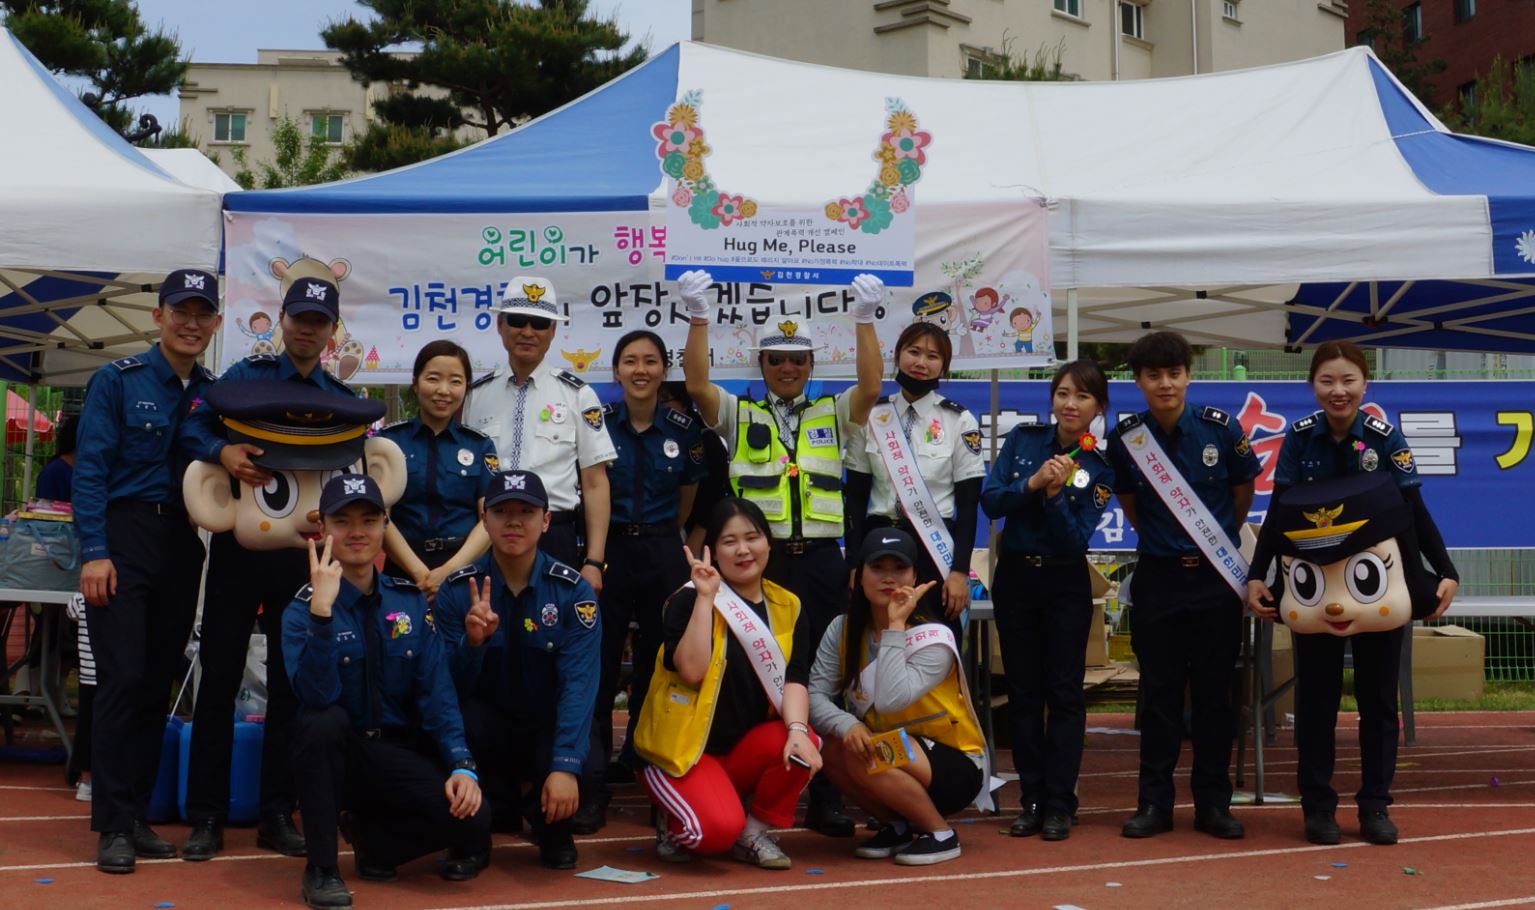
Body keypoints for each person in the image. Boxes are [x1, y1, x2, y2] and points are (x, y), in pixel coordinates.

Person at [678, 268, 883, 836]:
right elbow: (697, 385)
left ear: (812, 364)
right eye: (775, 359)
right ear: (761, 363)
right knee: (753, 672)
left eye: (797, 359)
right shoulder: (739, 413)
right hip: (757, 567)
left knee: (826, 674)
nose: (787, 368)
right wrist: (699, 317)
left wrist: (864, 320)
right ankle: (750, 780)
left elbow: (870, 387)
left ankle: (827, 794)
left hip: (820, 561)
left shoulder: (833, 413)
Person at [1247, 340, 1458, 847]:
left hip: (1376, 586)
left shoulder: (1385, 439)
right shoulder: (1299, 439)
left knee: (1379, 700)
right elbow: (1278, 514)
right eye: (1327, 381)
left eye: (1348, 381)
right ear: (1312, 386)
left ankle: (1375, 806)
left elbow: (1413, 511)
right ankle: (1318, 808)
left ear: (1365, 385)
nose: (1338, 391)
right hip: (1316, 589)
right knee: (1316, 701)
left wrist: (1445, 570)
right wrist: (1258, 574)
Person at [180, 273, 356, 861]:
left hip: (302, 558)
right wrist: (222, 451)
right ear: (282, 319)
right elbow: (193, 425)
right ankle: (206, 814)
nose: (307, 329)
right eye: (299, 317)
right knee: (219, 677)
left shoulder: (339, 396)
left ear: (332, 331)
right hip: (239, 551)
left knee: (291, 685)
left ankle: (277, 812)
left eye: (319, 321)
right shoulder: (244, 378)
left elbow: (352, 468)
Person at [284, 474, 490, 909]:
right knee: (322, 721)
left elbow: (437, 692)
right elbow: (316, 697)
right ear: (322, 529)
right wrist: (322, 615)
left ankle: (374, 840)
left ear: (385, 525)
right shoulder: (302, 610)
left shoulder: (409, 602)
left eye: (368, 520)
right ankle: (321, 868)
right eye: (343, 521)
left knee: (474, 819)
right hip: (340, 758)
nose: (357, 532)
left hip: (395, 752)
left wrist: (462, 765)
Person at [73, 268, 219, 873]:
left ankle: (135, 814)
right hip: (123, 538)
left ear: (215, 323)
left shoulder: (215, 394)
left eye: (202, 314)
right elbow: (90, 469)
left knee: (158, 680)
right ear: (158, 316)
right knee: (122, 679)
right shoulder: (117, 380)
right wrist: (94, 551)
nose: (191, 323)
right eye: (180, 311)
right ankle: (111, 824)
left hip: (182, 542)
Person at [461, 275, 615, 832]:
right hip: (488, 536)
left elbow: (594, 482)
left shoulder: (578, 394)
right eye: (518, 321)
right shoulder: (475, 394)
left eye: (540, 323)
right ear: (500, 325)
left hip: (556, 538)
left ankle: (582, 782)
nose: (528, 331)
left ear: (553, 332)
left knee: (571, 666)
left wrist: (593, 561)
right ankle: (501, 788)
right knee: (492, 656)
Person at [1103, 330, 1259, 840]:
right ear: (1138, 381)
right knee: (1160, 695)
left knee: (1215, 696)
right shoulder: (1127, 439)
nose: (1165, 384)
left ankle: (1213, 804)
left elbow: (1241, 494)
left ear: (1189, 376)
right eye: (1154, 375)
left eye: (1174, 373)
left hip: (1215, 580)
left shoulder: (1221, 429)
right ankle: (1154, 804)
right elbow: (1130, 504)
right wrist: (1167, 541)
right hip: (1158, 579)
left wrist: (1211, 541)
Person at [631, 498, 823, 869]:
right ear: (714, 551)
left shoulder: (789, 605)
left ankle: (751, 834)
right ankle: (675, 818)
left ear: (768, 542)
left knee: (805, 743)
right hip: (683, 752)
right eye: (729, 541)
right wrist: (706, 598)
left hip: (742, 753)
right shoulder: (688, 598)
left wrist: (798, 730)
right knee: (711, 834)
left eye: (752, 537)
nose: (743, 550)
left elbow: (795, 678)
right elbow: (691, 671)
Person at [432, 469, 601, 871]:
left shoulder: (573, 592)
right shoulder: (457, 591)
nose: (513, 522)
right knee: (448, 745)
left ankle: (543, 817)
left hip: (544, 724)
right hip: (484, 727)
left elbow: (579, 683)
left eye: (526, 512)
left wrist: (565, 766)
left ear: (546, 521)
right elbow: (445, 688)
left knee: (587, 770)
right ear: (484, 520)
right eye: (501, 511)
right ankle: (480, 829)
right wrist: (473, 645)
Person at [981, 359, 1115, 841]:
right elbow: (992, 500)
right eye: (1063, 393)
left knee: (1064, 694)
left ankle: (1060, 803)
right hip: (1016, 577)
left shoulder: (1099, 467)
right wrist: (1033, 484)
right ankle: (1031, 800)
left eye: (1082, 396)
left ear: (1099, 407)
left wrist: (1055, 496)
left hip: (1064, 583)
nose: (1070, 404)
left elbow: (1076, 538)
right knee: (1022, 693)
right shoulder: (1023, 441)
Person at [808, 528, 988, 866]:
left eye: (899, 568)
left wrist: (894, 626)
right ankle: (896, 827)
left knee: (870, 752)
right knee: (829, 745)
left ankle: (940, 834)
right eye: (877, 568)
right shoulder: (841, 629)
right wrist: (848, 725)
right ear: (859, 575)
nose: (888, 578)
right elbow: (815, 696)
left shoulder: (934, 637)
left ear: (915, 577)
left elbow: (891, 699)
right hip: (892, 751)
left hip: (954, 762)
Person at [594, 332, 706, 792]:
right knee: (600, 662)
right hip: (609, 551)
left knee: (660, 660)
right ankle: (594, 777)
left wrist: (661, 535)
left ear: (664, 370)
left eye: (650, 361)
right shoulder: (597, 424)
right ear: (616, 370)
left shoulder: (684, 429)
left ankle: (645, 763)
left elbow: (687, 498)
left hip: (662, 550)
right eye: (630, 361)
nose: (640, 370)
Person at [845, 321, 984, 623]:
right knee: (874, 635)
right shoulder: (872, 415)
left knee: (933, 635)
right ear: (897, 356)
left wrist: (959, 571)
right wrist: (853, 563)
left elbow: (968, 504)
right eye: (914, 352)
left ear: (944, 367)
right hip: (878, 545)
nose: (921, 363)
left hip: (933, 548)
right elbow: (855, 498)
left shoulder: (959, 421)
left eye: (933, 356)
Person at [378, 341, 496, 597]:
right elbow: (379, 516)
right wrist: (420, 573)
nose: (444, 390)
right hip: (402, 571)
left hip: (466, 572)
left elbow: (489, 519)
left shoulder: (480, 445)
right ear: (415, 383)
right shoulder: (388, 441)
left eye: (455, 381)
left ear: (466, 387)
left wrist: (448, 572)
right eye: (433, 378)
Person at [659, 380, 729, 556]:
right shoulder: (651, 436)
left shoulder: (706, 438)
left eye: (664, 401)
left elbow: (715, 494)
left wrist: (698, 533)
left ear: (684, 404)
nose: (658, 407)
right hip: (661, 533)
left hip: (695, 536)